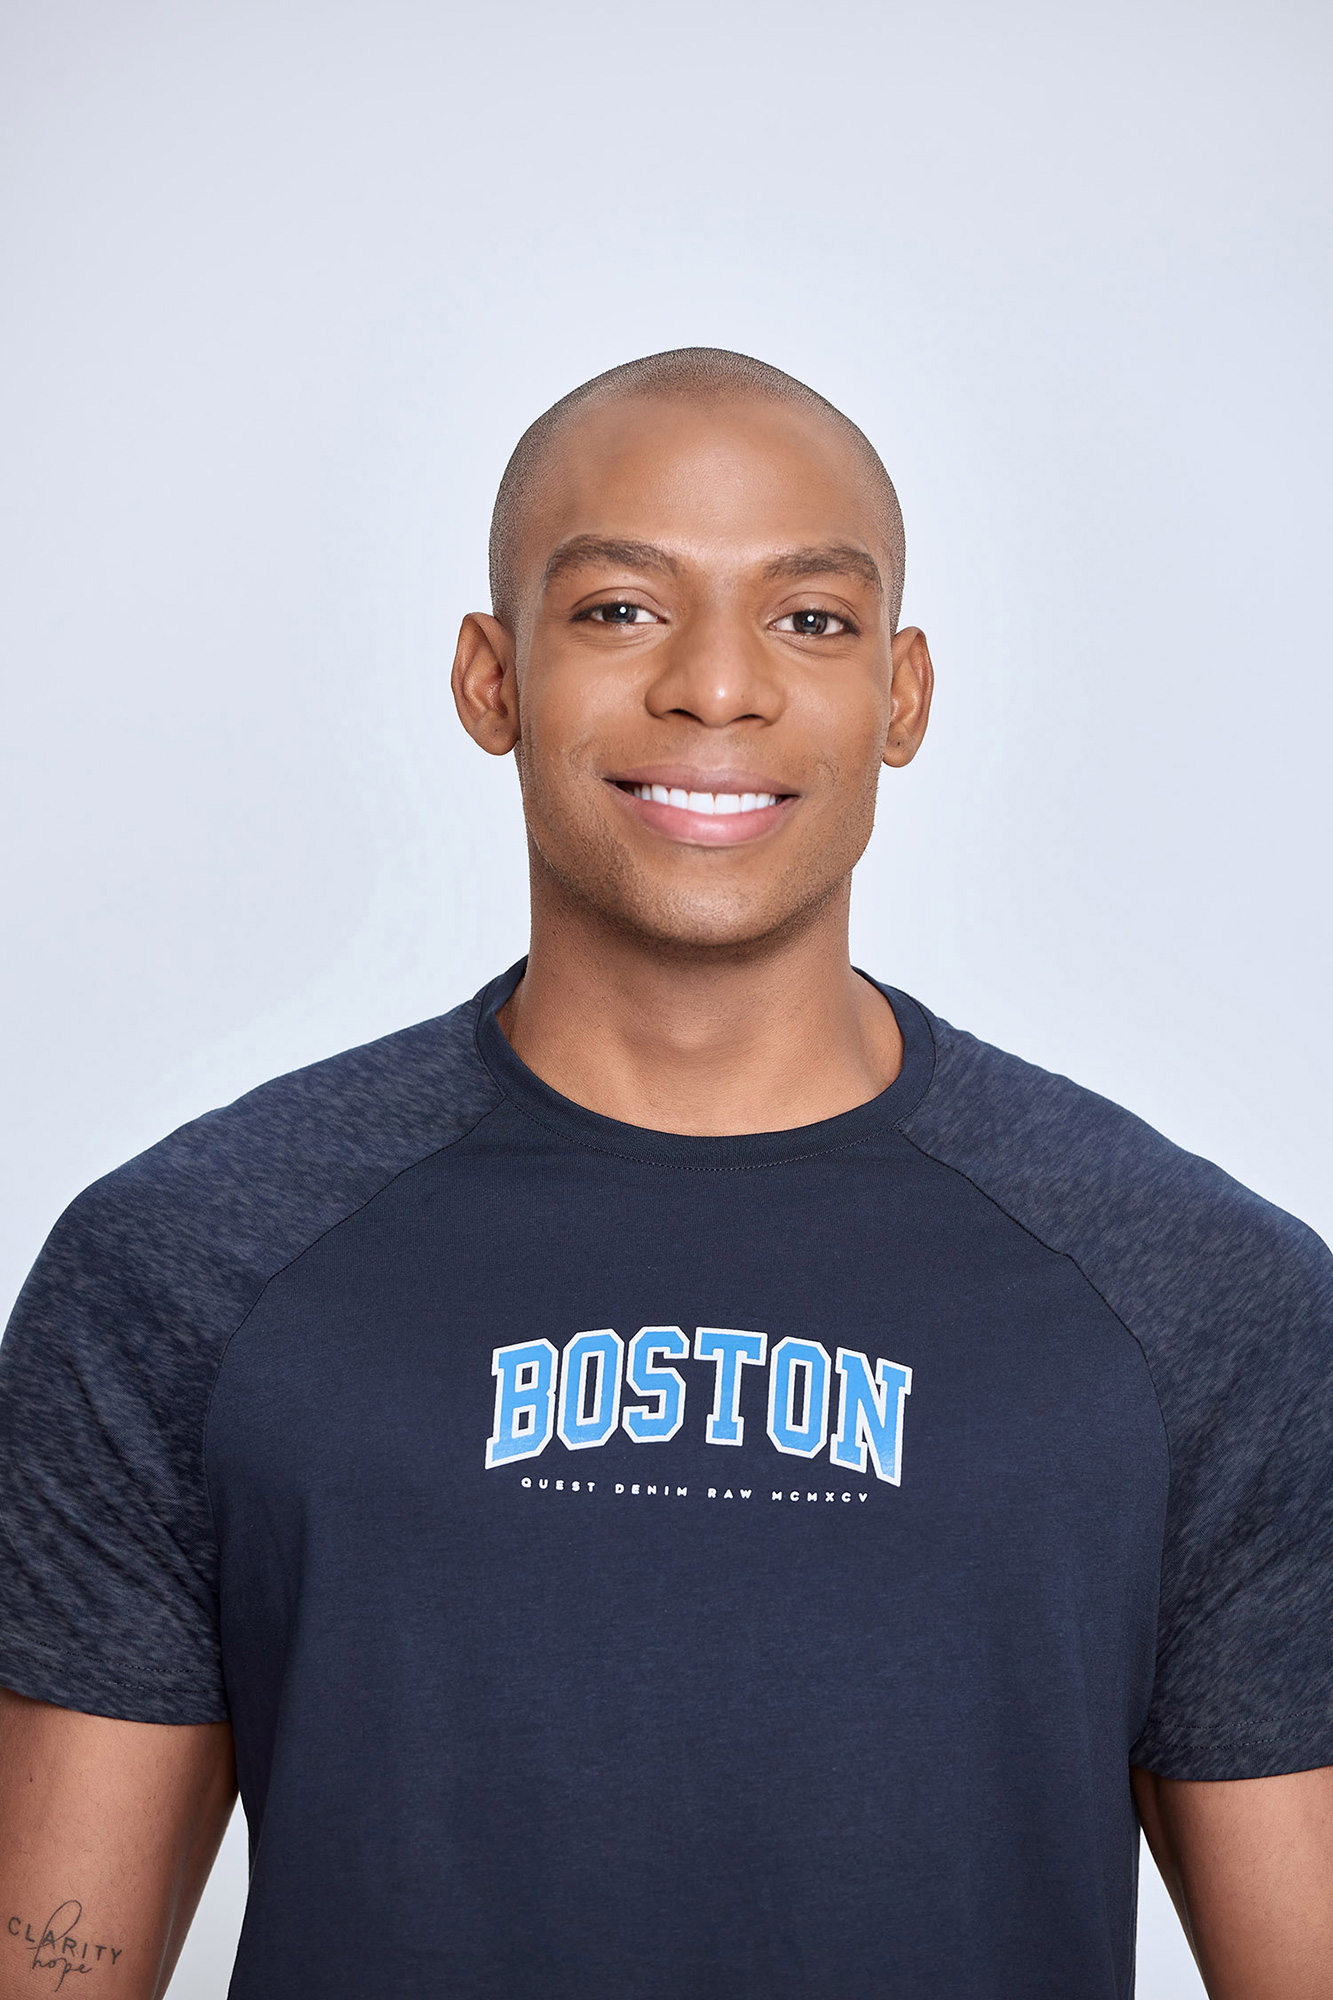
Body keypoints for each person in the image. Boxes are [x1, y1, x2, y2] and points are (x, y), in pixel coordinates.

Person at [0, 348, 1329, 2000]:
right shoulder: (182, 1268)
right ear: (492, 679)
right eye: (620, 609)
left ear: (903, 695)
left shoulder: (1201, 1299)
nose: (715, 687)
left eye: (810, 618)